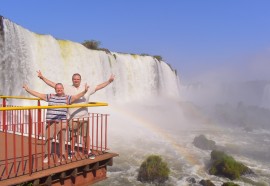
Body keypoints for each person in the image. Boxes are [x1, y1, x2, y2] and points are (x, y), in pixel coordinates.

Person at [37, 70, 115, 159]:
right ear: (72, 80)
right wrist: (42, 78)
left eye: (78, 79)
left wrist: (109, 81)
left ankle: (88, 151)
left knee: (86, 136)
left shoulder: (87, 88)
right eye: (74, 79)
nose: (76, 80)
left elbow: (99, 86)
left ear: (80, 80)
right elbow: (53, 84)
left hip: (84, 117)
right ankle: (72, 151)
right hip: (72, 117)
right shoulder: (66, 88)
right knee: (73, 136)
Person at [23, 83, 89, 163]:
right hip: (50, 122)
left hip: (62, 122)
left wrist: (85, 91)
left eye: (61, 88)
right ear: (55, 89)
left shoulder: (67, 98)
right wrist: (28, 89)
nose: (59, 90)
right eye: (57, 88)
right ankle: (47, 156)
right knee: (48, 139)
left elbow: (76, 96)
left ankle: (61, 156)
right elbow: (39, 94)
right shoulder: (50, 96)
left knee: (62, 140)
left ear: (63, 89)